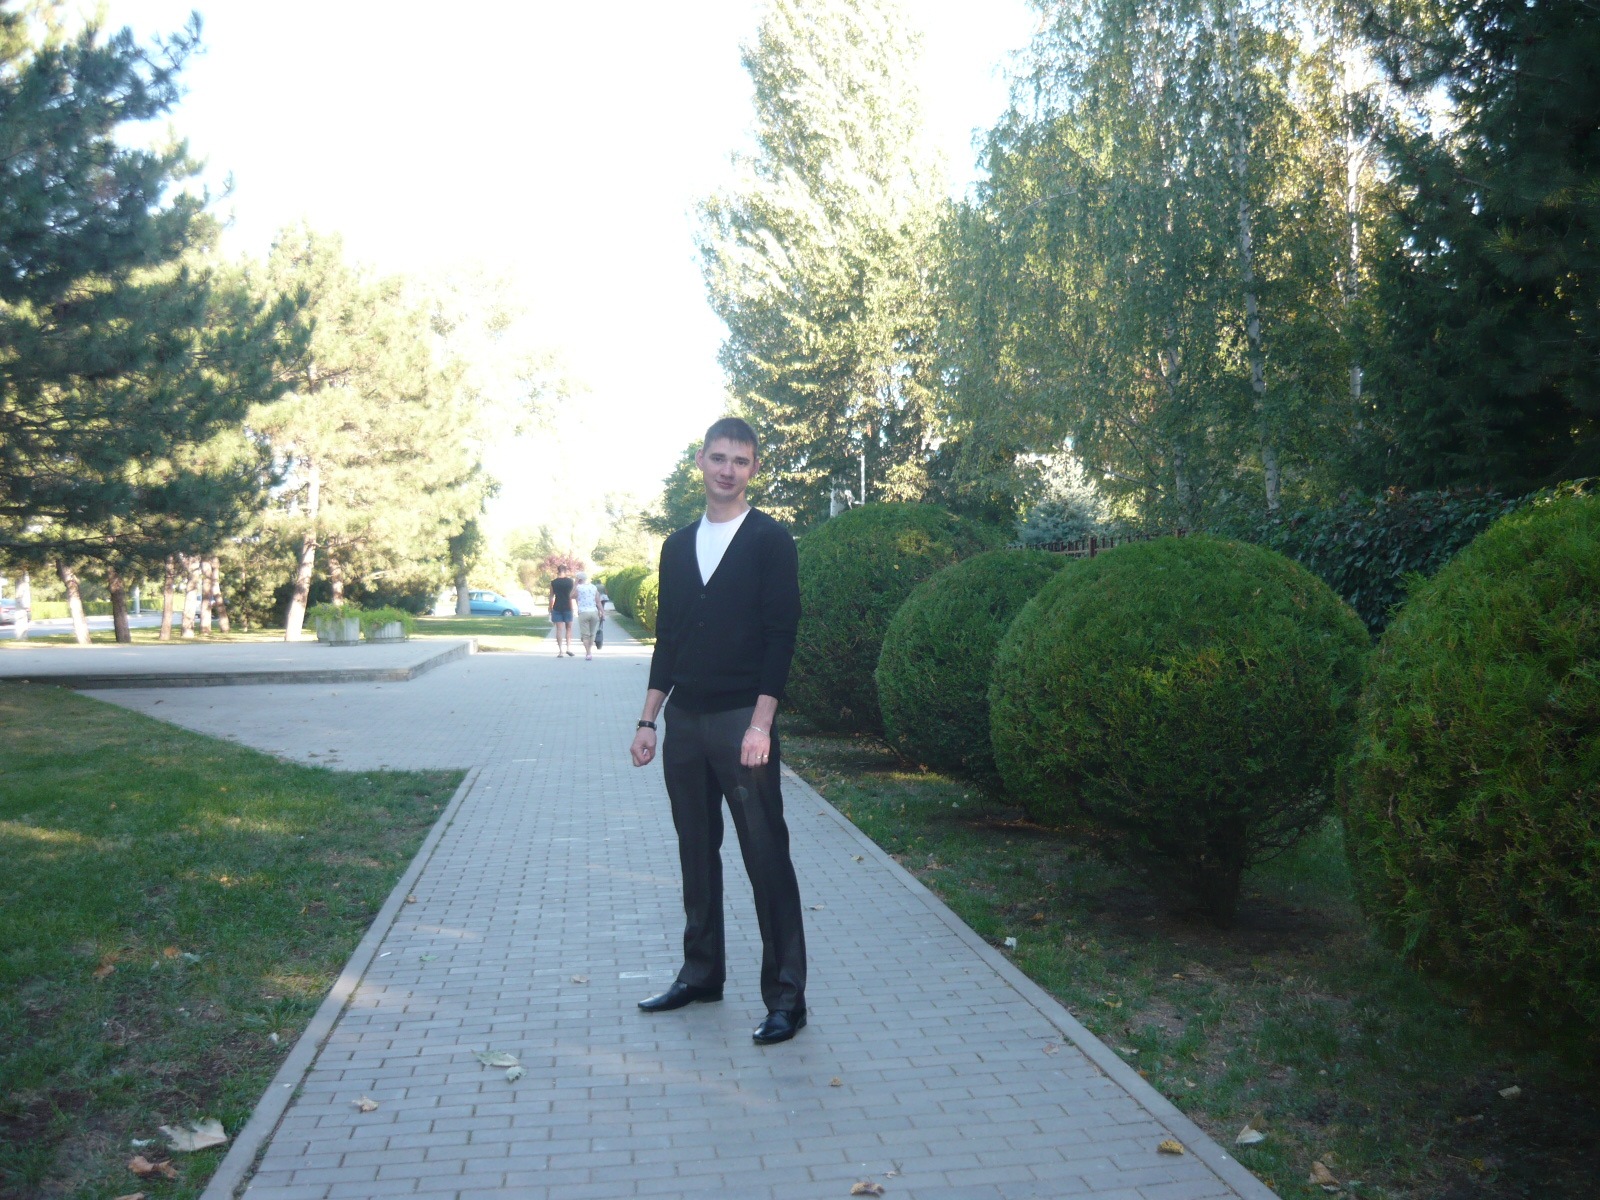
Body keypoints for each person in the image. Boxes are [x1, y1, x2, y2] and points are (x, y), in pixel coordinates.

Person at [629, 416, 807, 1045]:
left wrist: (761, 725)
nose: (728, 469)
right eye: (719, 457)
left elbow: (781, 638)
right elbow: (669, 638)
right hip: (685, 721)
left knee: (765, 855)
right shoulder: (677, 547)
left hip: (741, 722)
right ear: (701, 462)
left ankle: (786, 998)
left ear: (753, 469)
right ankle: (701, 974)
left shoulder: (770, 541)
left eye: (741, 460)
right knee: (695, 852)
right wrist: (649, 719)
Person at [574, 571, 602, 659]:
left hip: (583, 612)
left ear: (578, 579)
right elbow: (598, 601)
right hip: (594, 612)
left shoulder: (578, 587)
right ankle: (589, 651)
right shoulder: (593, 587)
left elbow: (571, 596)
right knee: (592, 633)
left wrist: (575, 584)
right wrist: (602, 612)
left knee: (585, 635)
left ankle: (588, 653)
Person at [548, 571, 575, 657]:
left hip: (557, 607)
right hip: (568, 607)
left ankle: (560, 651)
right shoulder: (570, 582)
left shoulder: (553, 582)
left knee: (559, 629)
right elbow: (573, 595)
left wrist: (550, 607)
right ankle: (568, 648)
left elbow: (551, 596)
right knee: (569, 628)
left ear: (558, 572)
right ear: (565, 571)